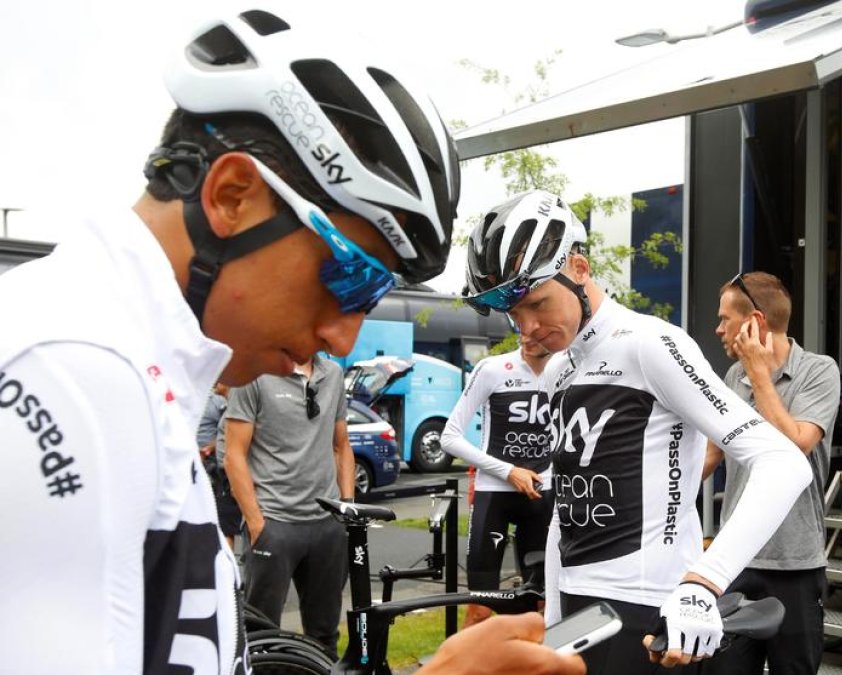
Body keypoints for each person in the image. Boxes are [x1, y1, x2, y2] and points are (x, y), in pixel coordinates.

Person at [0, 10, 581, 675]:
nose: (344, 334)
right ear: (233, 194)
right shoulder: (73, 372)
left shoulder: (135, 367)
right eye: (349, 276)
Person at [463, 190, 813, 675]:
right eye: (514, 313)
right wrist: (556, 612)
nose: (526, 327)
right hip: (579, 604)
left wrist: (705, 582)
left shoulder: (652, 344)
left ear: (580, 269)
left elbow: (784, 463)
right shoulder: (561, 366)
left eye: (538, 303)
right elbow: (568, 502)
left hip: (648, 610)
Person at [701, 271, 840, 675]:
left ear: (755, 322)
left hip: (795, 565)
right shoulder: (732, 378)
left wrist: (759, 374)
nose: (718, 328)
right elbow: (711, 453)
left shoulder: (819, 371)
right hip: (736, 562)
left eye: (725, 318)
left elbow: (795, 445)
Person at [222, 354, 353, 655]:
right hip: (274, 522)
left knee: (324, 635)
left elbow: (341, 444)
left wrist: (347, 508)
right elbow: (234, 455)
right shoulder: (254, 372)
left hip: (327, 524)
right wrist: (256, 522)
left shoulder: (332, 373)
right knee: (260, 635)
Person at [442, 335, 556, 627]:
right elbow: (449, 438)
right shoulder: (493, 368)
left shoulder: (566, 369)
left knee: (540, 608)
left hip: (543, 498)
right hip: (494, 496)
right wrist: (508, 471)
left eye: (537, 329)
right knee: (480, 608)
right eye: (521, 326)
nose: (528, 334)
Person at [198, 383, 242, 548]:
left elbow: (229, 433)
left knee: (226, 524)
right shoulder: (216, 402)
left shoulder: (220, 403)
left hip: (218, 467)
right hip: (213, 465)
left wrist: (209, 448)